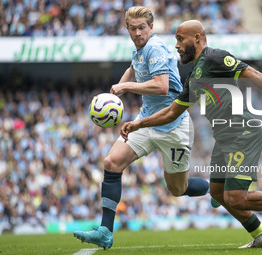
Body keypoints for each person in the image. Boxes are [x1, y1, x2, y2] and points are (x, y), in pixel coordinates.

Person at [121, 20, 262, 248]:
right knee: (218, 193)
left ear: (196, 38)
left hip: (242, 133)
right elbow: (172, 112)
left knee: (236, 197)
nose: (176, 45)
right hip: (224, 139)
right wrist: (138, 124)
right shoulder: (194, 76)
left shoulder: (214, 57)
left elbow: (252, 73)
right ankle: (261, 236)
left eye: (180, 39)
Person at [73, 9, 209, 250]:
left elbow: (161, 86)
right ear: (127, 29)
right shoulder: (139, 49)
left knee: (178, 189)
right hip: (146, 120)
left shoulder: (155, 48)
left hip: (173, 124)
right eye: (133, 28)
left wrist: (126, 85)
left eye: (142, 28)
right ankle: (105, 231)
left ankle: (215, 188)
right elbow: (134, 67)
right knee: (112, 163)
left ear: (151, 27)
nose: (137, 32)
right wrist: (117, 89)